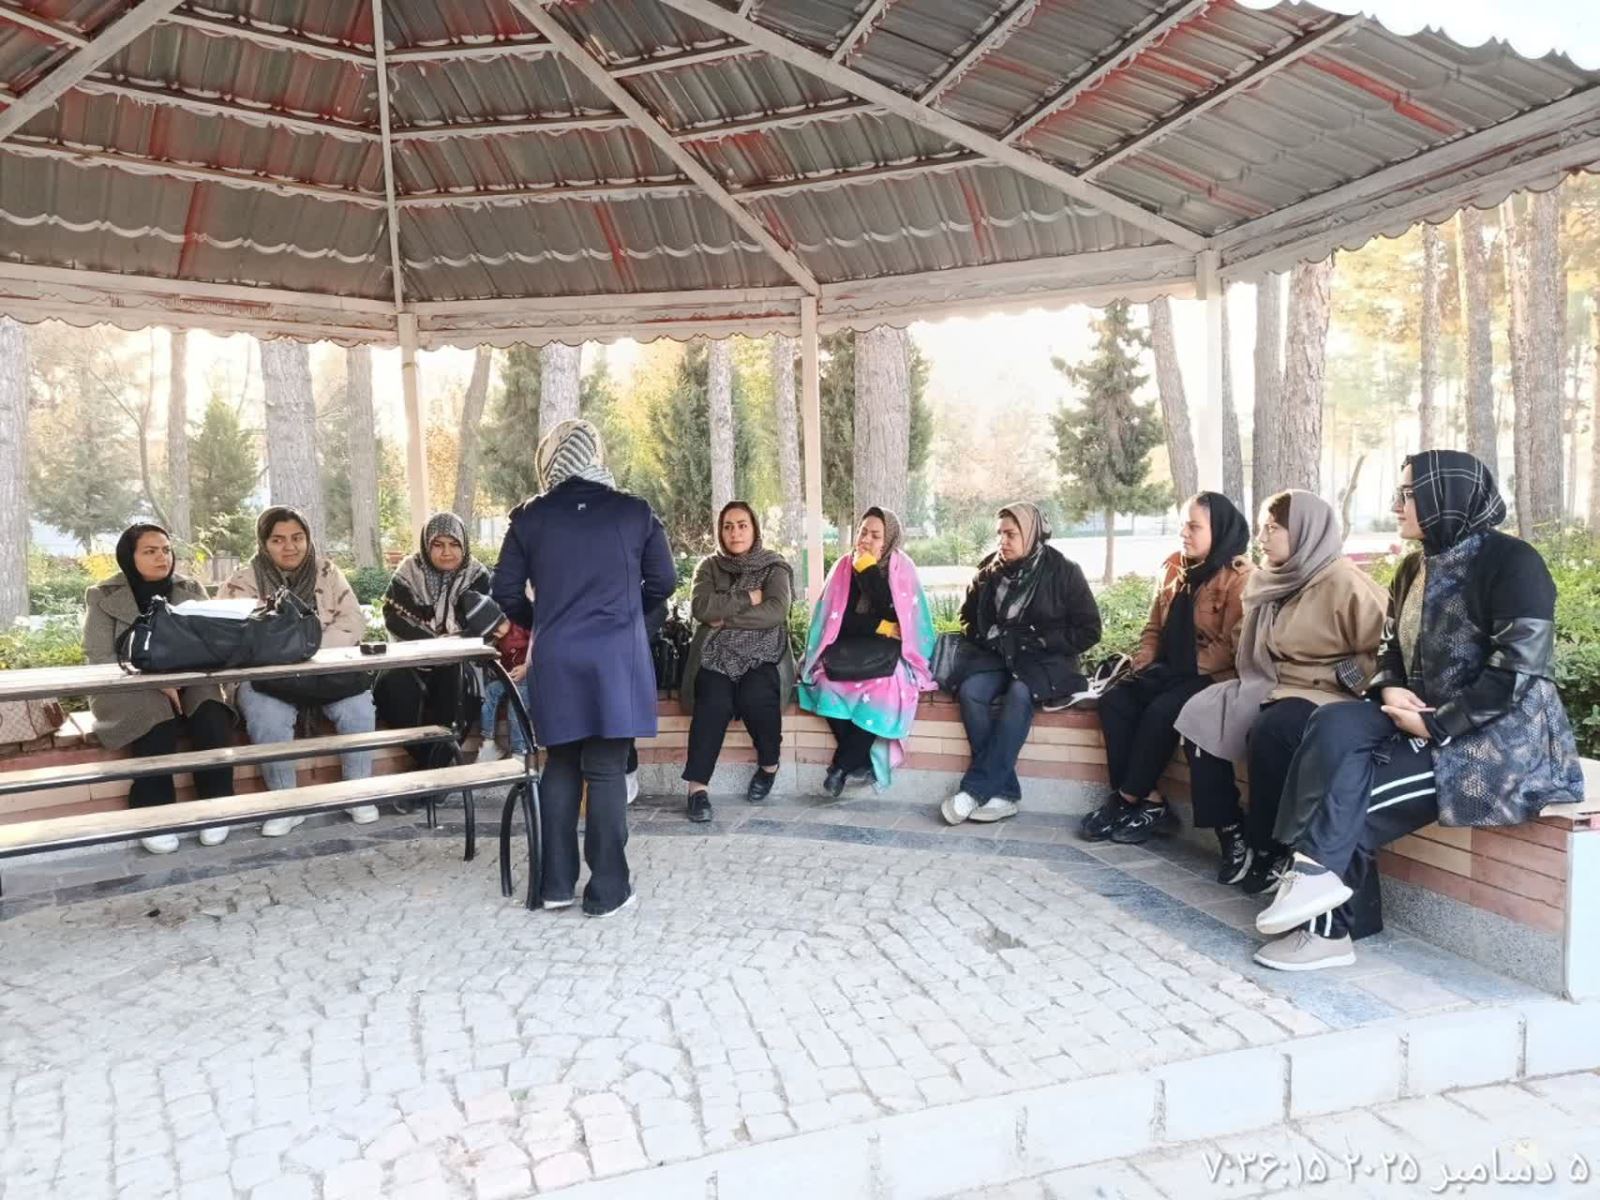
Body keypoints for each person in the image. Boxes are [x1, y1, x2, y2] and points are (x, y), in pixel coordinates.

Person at [1252, 451, 1584, 972]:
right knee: (1333, 722)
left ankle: (1325, 928)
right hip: (1421, 718)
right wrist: (1389, 689)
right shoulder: (1414, 566)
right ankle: (1315, 880)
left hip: (1499, 742)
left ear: (1444, 495)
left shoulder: (1514, 563)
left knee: (1351, 799)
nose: (1396, 505)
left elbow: (1518, 672)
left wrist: (1436, 723)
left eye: (1407, 494)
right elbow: (1390, 648)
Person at [492, 419, 676, 917]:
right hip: (615, 656)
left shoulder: (529, 517)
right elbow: (664, 581)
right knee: (607, 769)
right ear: (595, 453)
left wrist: (544, 619)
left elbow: (504, 590)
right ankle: (607, 891)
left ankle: (554, 886)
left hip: (556, 656)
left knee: (561, 764)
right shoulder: (634, 512)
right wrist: (628, 612)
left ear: (550, 459)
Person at [1175, 490, 1387, 887]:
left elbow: (1386, 650)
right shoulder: (1271, 579)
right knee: (1198, 713)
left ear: (1305, 531)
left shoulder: (1344, 582)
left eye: (1273, 528)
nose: (1262, 538)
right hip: (1268, 681)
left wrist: (1342, 675)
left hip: (1323, 693)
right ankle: (1230, 830)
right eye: (1262, 528)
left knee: (1272, 732)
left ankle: (1273, 846)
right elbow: (1246, 642)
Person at [1080, 492, 1252, 845]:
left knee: (1162, 710)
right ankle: (1151, 800)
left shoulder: (1240, 579)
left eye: (1194, 527)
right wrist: (1147, 655)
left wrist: (1182, 668)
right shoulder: (1174, 567)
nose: (1184, 534)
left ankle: (1126, 798)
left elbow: (1230, 647)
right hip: (1169, 667)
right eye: (1182, 526)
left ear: (1218, 530)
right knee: (1116, 701)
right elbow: (1154, 626)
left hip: (1211, 675)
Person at [219, 506, 379, 836]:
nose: (289, 547)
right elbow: (230, 633)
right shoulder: (243, 580)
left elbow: (352, 621)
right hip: (267, 676)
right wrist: (288, 653)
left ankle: (358, 792)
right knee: (267, 717)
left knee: (359, 708)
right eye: (278, 540)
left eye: (297, 538)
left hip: (324, 668)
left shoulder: (327, 572)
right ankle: (286, 804)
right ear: (264, 543)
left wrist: (308, 649)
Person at [942, 502, 1101, 825]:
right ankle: (1005, 792)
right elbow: (966, 618)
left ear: (1030, 534)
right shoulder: (988, 572)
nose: (1003, 541)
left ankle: (974, 790)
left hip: (1045, 660)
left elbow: (1090, 630)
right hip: (999, 655)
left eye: (1011, 534)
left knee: (1019, 692)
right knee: (971, 691)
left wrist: (1041, 640)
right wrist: (988, 636)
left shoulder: (1064, 571)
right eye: (1000, 533)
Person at [82, 523, 235, 854]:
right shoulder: (102, 595)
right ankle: (153, 813)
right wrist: (156, 681)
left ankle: (216, 806)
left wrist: (179, 678)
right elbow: (100, 657)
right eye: (150, 551)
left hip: (188, 677)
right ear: (129, 557)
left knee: (211, 707)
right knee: (154, 711)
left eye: (165, 550)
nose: (161, 557)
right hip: (123, 684)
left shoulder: (189, 588)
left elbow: (212, 644)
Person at [797, 507, 936, 797]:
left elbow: (899, 617)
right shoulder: (844, 567)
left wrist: (870, 572)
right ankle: (857, 761)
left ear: (889, 540)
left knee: (887, 685)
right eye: (863, 532)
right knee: (825, 681)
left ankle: (840, 768)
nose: (866, 540)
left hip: (890, 655)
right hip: (848, 648)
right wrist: (881, 626)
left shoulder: (901, 568)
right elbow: (839, 622)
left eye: (875, 535)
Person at [680, 502, 795, 823]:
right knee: (712, 701)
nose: (735, 533)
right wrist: (747, 598)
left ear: (754, 528)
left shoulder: (774, 567)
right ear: (720, 531)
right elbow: (703, 608)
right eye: (728, 526)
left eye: (742, 525)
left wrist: (726, 619)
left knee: (756, 697)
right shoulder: (709, 567)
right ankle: (697, 789)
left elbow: (775, 611)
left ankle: (769, 765)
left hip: (763, 653)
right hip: (716, 654)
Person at [375, 512, 506, 772]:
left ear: (464, 545)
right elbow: (394, 618)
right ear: (427, 545)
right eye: (438, 544)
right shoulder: (410, 570)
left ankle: (432, 770)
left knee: (457, 680)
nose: (447, 552)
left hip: (463, 660)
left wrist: (449, 646)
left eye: (454, 544)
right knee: (390, 685)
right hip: (413, 657)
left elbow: (486, 628)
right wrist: (434, 645)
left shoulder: (476, 575)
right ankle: (434, 766)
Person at [477, 618, 531, 762]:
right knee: (491, 690)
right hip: (511, 678)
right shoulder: (496, 639)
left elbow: (540, 648)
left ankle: (519, 753)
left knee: (515, 704)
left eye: (497, 628)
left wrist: (527, 667)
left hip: (531, 677)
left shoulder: (523, 626)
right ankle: (488, 744)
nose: (496, 632)